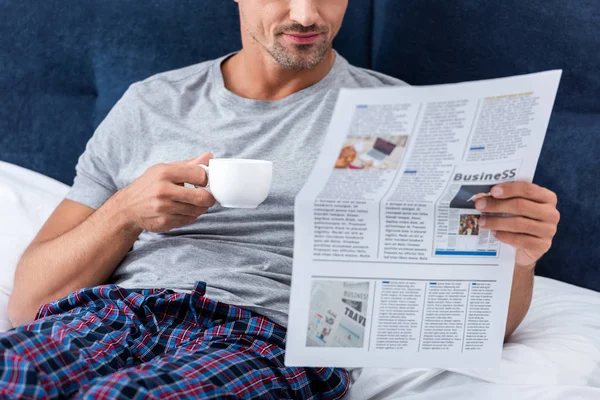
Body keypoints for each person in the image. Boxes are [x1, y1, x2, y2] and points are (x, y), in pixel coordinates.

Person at [1, 0, 560, 398]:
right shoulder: (150, 104)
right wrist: (125, 213)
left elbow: (471, 324)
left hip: (262, 338)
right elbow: (28, 302)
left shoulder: (409, 122)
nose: (306, 15)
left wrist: (518, 255)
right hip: (105, 318)